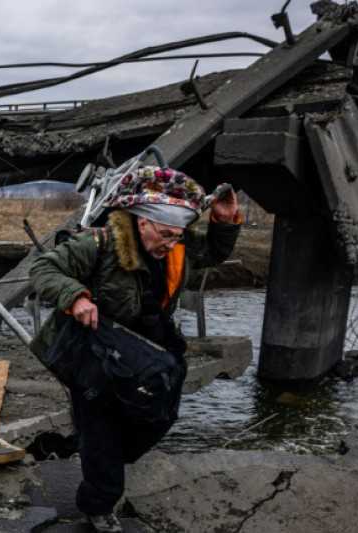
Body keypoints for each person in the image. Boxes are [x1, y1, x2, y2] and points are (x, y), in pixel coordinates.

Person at [29, 167, 240, 532]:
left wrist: (223, 221)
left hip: (147, 351)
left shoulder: (177, 245)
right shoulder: (99, 243)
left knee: (160, 417)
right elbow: (43, 269)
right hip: (95, 351)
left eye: (177, 236)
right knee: (100, 430)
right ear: (142, 224)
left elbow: (213, 252)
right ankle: (98, 507)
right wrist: (75, 297)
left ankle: (109, 461)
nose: (171, 244)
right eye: (164, 235)